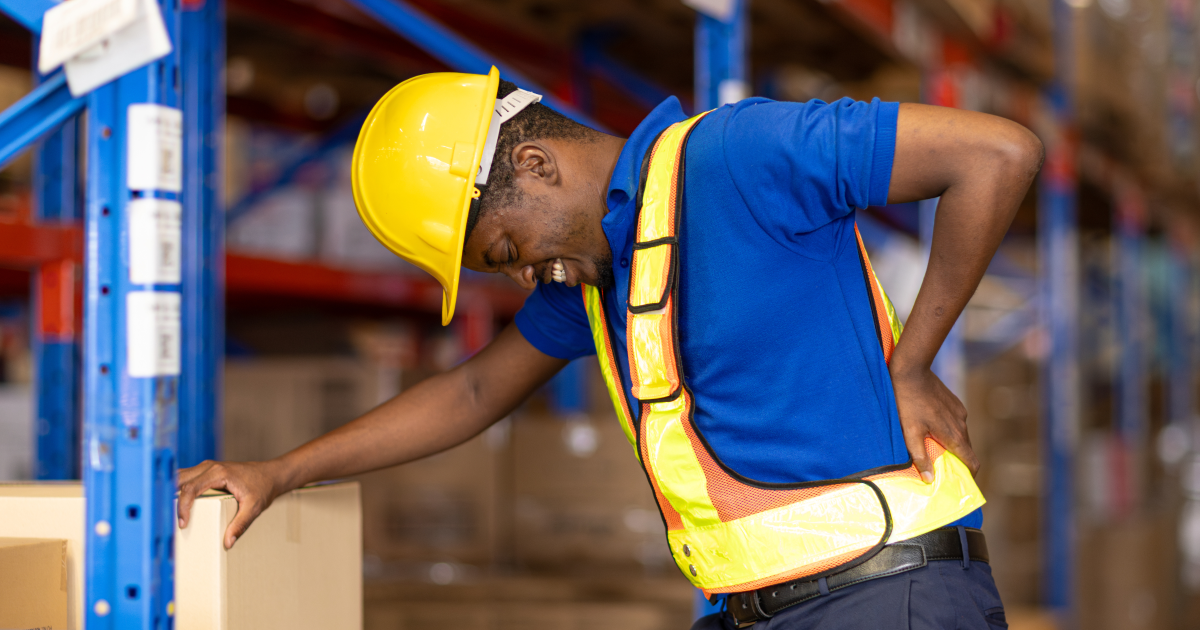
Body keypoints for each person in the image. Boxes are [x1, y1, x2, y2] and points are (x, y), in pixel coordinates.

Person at [178, 67, 1042, 629]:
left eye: (507, 251)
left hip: (891, 598)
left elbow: (997, 152)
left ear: (540, 168)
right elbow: (472, 394)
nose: (524, 278)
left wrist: (913, 362)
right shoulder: (603, 275)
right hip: (755, 611)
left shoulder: (737, 157)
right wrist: (278, 472)